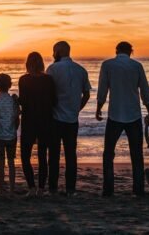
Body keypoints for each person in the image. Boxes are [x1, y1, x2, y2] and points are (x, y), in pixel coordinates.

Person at [96, 41, 149, 197]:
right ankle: (138, 189)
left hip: (114, 114)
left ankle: (108, 189)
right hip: (133, 114)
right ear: (131, 51)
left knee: (108, 153)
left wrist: (99, 107)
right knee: (136, 154)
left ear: (116, 51)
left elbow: (103, 89)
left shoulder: (107, 65)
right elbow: (145, 91)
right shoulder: (137, 66)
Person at [46, 41, 90, 196]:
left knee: (54, 155)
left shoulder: (52, 69)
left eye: (54, 51)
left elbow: (47, 92)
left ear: (58, 51)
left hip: (56, 118)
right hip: (72, 118)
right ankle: (70, 188)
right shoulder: (81, 70)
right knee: (71, 154)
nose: (53, 54)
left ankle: (53, 188)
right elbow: (87, 94)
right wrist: (77, 109)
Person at [18, 52, 56, 197]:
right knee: (42, 156)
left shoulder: (24, 80)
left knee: (25, 156)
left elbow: (24, 101)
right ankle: (41, 188)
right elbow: (54, 101)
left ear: (27, 64)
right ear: (41, 63)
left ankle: (31, 188)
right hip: (46, 120)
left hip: (29, 121)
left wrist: (16, 100)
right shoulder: (49, 80)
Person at [0, 73, 19, 196]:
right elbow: (17, 118)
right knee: (11, 162)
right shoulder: (13, 100)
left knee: (1, 163)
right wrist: (14, 129)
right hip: (11, 135)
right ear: (10, 85)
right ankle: (12, 190)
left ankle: (1, 190)